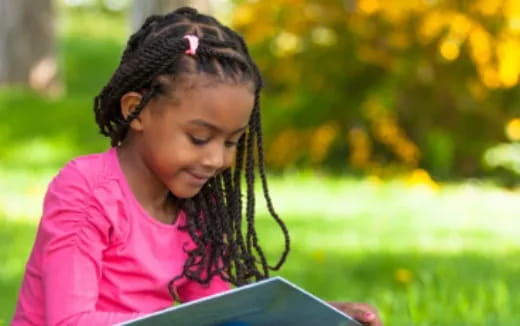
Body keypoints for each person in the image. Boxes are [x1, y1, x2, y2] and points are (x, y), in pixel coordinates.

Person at [12, 7, 382, 326]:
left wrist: (315, 315)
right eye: (199, 138)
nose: (217, 159)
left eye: (232, 142)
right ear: (135, 111)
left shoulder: (196, 208)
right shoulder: (86, 190)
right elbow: (69, 321)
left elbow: (221, 313)